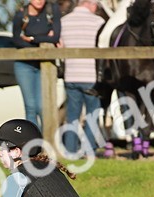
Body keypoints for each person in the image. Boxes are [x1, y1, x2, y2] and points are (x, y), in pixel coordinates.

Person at [59, 0, 105, 157]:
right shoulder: (98, 22)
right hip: (91, 75)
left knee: (72, 115)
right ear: (91, 4)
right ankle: (89, 149)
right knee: (92, 114)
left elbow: (60, 46)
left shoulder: (64, 21)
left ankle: (70, 150)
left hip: (71, 74)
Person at [12, 0, 61, 127]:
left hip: (45, 65)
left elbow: (55, 37)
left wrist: (32, 39)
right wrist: (45, 39)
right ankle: (33, 138)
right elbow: (17, 40)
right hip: (24, 65)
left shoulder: (52, 11)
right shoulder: (21, 15)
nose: (39, 1)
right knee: (31, 107)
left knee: (42, 107)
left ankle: (48, 137)